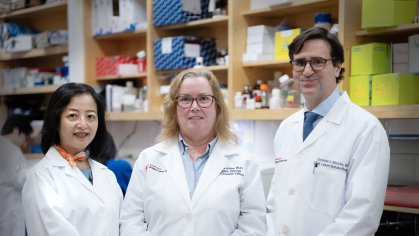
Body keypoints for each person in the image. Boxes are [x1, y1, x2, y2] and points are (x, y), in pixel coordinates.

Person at [266, 27, 390, 236]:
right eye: (299, 62)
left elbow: (361, 217)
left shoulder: (366, 129)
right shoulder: (287, 128)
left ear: (337, 67)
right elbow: (274, 203)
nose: (307, 71)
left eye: (317, 62)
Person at [120, 69, 266, 236]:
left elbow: (254, 229)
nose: (194, 107)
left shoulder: (245, 163)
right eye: (185, 99)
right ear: (173, 108)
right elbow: (130, 221)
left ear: (217, 106)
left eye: (204, 98)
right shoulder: (149, 159)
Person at [22, 83, 123, 236]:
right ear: (56, 120)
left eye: (90, 116)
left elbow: (123, 226)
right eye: (72, 115)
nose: (83, 124)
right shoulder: (42, 177)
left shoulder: (107, 175)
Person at [0, 115, 33, 236]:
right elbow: (20, 179)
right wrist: (42, 168)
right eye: (26, 138)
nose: (25, 144)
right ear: (16, 129)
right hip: (9, 213)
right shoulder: (10, 149)